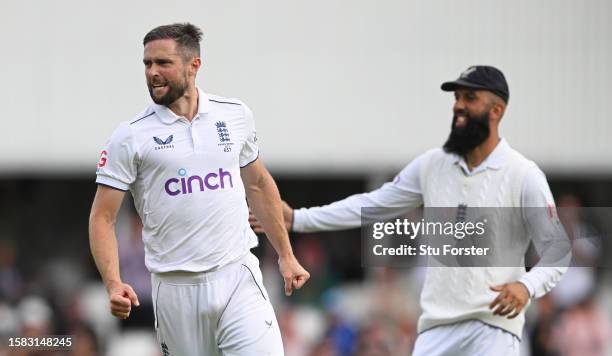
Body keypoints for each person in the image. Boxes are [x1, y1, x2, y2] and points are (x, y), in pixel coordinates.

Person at [253, 66, 569, 355]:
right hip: (436, 329)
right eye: (457, 98)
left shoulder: (523, 175)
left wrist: (526, 286)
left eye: (470, 98)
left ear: (497, 110)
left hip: (494, 328)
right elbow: (372, 205)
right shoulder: (432, 165)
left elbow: (557, 251)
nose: (459, 105)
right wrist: (298, 218)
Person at [89, 23, 309, 356]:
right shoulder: (130, 135)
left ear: (194, 66)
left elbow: (259, 184)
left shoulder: (234, 115)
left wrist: (287, 255)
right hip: (175, 288)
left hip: (237, 275)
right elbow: (102, 218)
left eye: (164, 63)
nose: (153, 72)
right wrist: (113, 283)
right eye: (147, 64)